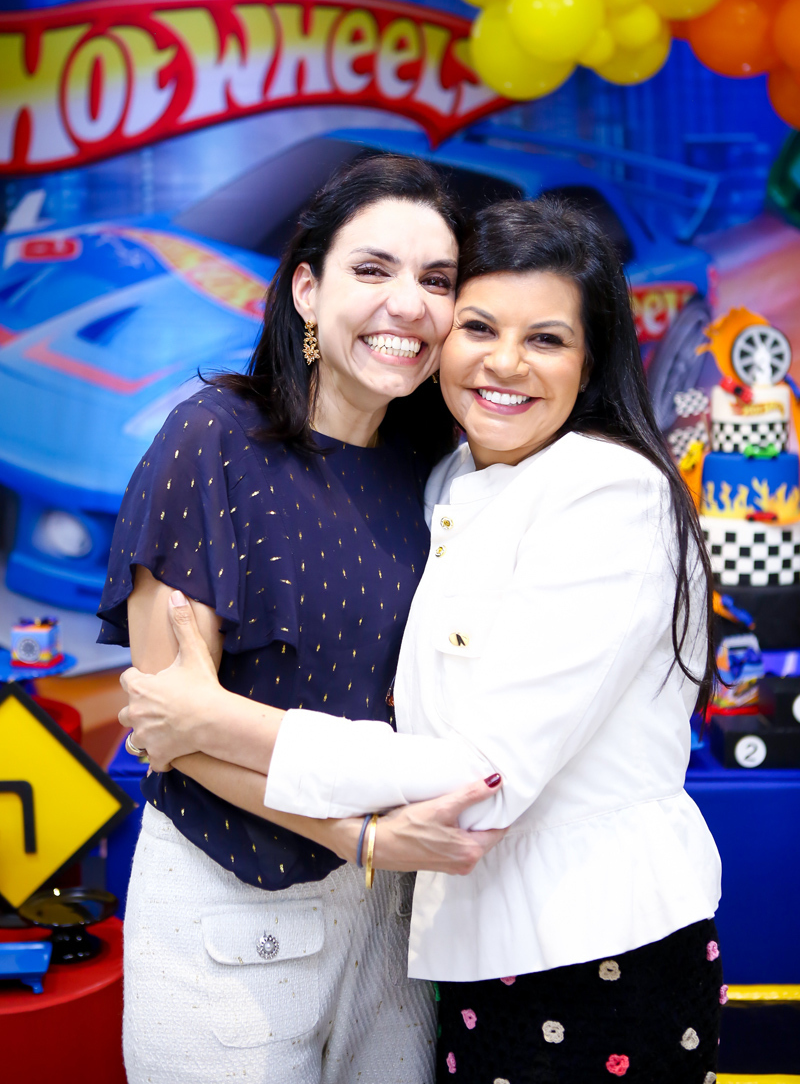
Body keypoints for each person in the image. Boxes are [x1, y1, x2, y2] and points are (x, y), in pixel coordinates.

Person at [122, 197, 724, 1083]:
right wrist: (342, 827)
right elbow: (164, 714)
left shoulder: (604, 491)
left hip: (588, 949)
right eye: (479, 325)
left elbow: (484, 771)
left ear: (592, 361)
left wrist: (215, 721)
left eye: (547, 338)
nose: (505, 361)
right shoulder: (433, 471)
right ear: (305, 289)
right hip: (390, 930)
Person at [98, 153, 507, 1084]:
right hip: (232, 900)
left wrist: (378, 852)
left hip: (396, 919)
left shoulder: (436, 471)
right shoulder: (215, 438)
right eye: (374, 269)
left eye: (436, 280)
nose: (408, 304)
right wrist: (353, 837)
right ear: (308, 291)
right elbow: (171, 733)